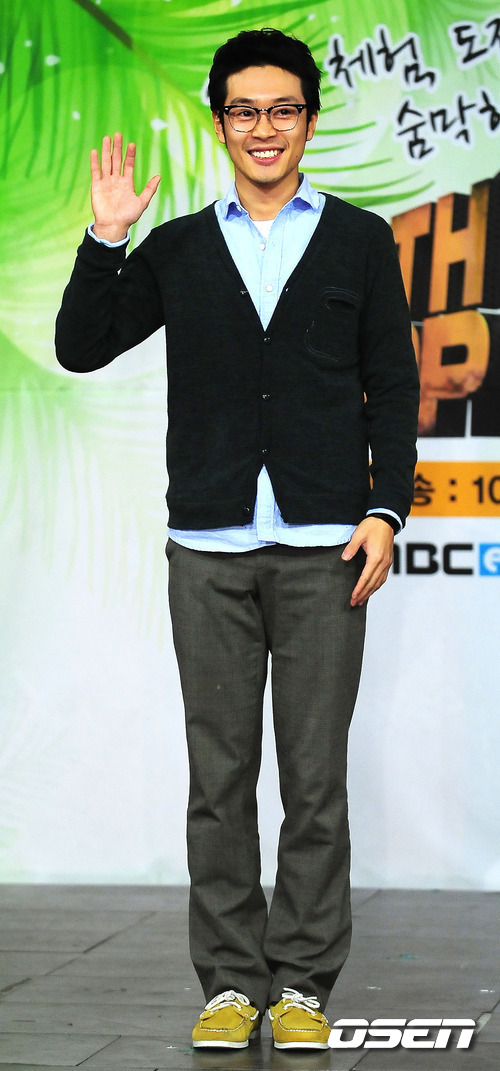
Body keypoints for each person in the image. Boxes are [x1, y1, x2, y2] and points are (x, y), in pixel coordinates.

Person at [56, 27, 419, 1052]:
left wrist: (386, 509)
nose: (265, 127)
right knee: (218, 781)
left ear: (309, 119)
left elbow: (393, 388)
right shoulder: (176, 246)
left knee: (314, 781)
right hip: (207, 551)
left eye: (283, 109)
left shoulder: (359, 239)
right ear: (221, 124)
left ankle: (300, 981)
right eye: (245, 111)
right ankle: (228, 981)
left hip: (326, 553)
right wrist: (107, 239)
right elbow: (81, 348)